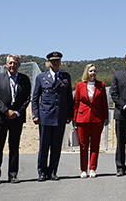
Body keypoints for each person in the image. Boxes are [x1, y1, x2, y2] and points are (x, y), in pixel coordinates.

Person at [31, 51, 73, 181]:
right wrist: (35, 114)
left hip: (60, 117)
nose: (55, 63)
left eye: (57, 61)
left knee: (56, 146)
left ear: (60, 62)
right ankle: (42, 172)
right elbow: (35, 98)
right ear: (49, 63)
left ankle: (53, 171)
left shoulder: (66, 77)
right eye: (53, 61)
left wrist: (70, 114)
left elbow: (69, 98)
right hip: (45, 116)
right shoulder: (41, 78)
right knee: (44, 146)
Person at [0, 54, 31, 184]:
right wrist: (6, 111)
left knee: (14, 147)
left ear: (19, 65)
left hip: (17, 118)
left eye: (15, 63)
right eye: (10, 63)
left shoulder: (25, 79)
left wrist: (17, 112)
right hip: (0, 118)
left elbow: (27, 99)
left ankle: (13, 174)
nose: (12, 65)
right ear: (6, 65)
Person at [73, 63, 109, 178]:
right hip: (82, 119)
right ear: (86, 72)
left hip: (97, 119)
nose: (93, 73)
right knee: (83, 145)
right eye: (90, 71)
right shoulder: (80, 85)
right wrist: (74, 119)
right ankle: (83, 169)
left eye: (94, 71)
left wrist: (106, 117)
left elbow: (104, 103)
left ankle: (92, 168)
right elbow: (76, 103)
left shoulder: (101, 85)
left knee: (95, 144)